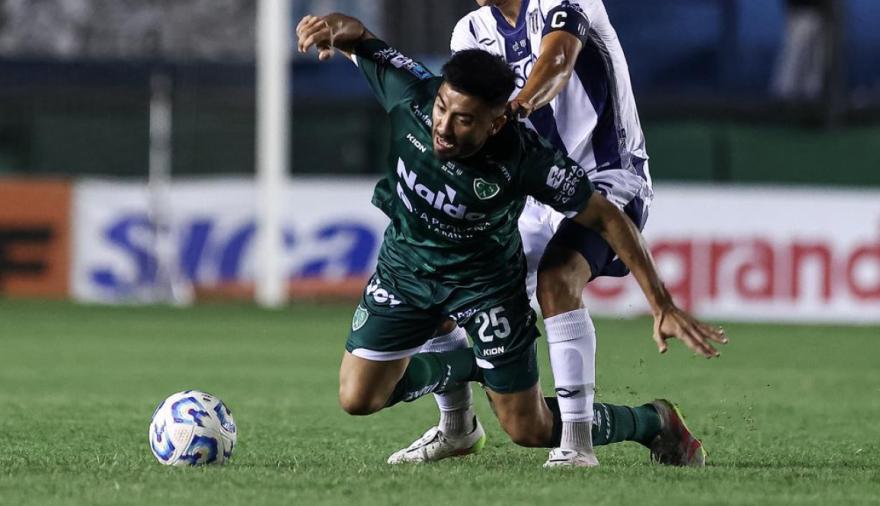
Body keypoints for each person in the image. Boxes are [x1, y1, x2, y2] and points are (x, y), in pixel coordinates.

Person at [295, 12, 726, 468]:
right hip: (404, 272)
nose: (444, 127)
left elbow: (607, 218)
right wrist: (331, 28)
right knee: (357, 397)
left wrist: (661, 303)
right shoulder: (413, 93)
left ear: (496, 122)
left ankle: (650, 421)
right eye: (442, 109)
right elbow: (360, 37)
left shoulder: (526, 158)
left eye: (464, 120)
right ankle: (466, 390)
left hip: (485, 287)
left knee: (528, 428)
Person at [397, 0, 662, 467]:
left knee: (557, 279)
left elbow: (557, 61)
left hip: (607, 179)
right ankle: (457, 425)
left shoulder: (566, 2)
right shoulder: (470, 30)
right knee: (440, 279)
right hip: (532, 196)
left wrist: (517, 106)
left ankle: (577, 444)